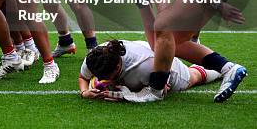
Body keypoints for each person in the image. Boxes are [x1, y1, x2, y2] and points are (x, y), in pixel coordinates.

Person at [89, 0, 247, 102]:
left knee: (163, 25)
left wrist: (220, 6)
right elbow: (153, 35)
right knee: (170, 44)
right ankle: (229, 68)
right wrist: (161, 61)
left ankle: (155, 91)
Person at [78, 40, 221, 100]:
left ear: (117, 67)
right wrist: (84, 92)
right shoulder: (94, 58)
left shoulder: (145, 67)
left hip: (165, 66)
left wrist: (160, 81)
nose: (102, 78)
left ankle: (221, 69)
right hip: (143, 51)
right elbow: (83, 77)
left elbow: (154, 95)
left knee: (194, 76)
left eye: (106, 76)